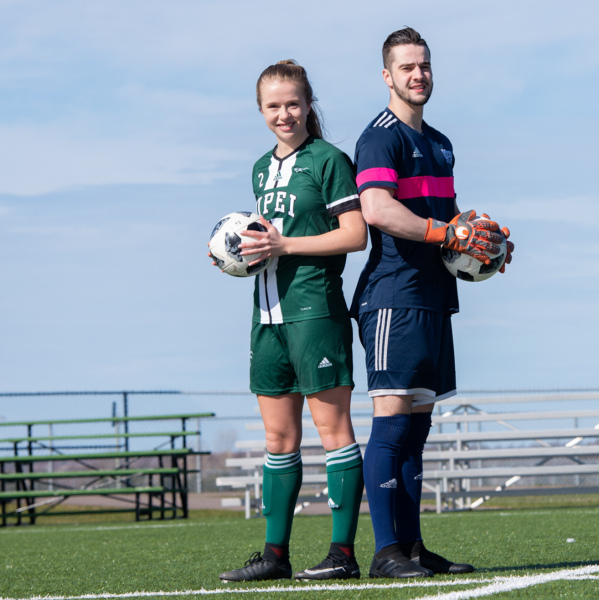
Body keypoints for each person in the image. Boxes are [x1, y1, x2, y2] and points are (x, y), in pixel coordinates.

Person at [351, 28, 514, 579]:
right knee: (392, 425)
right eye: (406, 67)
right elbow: (377, 208)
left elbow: (453, 217)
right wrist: (447, 236)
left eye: (424, 66)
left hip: (433, 296)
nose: (417, 75)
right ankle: (385, 552)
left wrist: (485, 246)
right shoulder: (379, 138)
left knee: (418, 429)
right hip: (392, 296)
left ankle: (415, 549)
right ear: (387, 76)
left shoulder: (441, 143)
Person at [214, 60, 367, 583]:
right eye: (274, 106)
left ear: (308, 105)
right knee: (278, 440)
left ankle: (342, 554)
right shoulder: (259, 168)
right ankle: (274, 556)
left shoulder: (328, 160)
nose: (285, 114)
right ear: (261, 111)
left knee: (333, 432)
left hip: (314, 311)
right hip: (266, 315)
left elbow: (354, 234)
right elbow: (265, 240)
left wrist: (284, 244)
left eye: (293, 103)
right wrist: (238, 255)